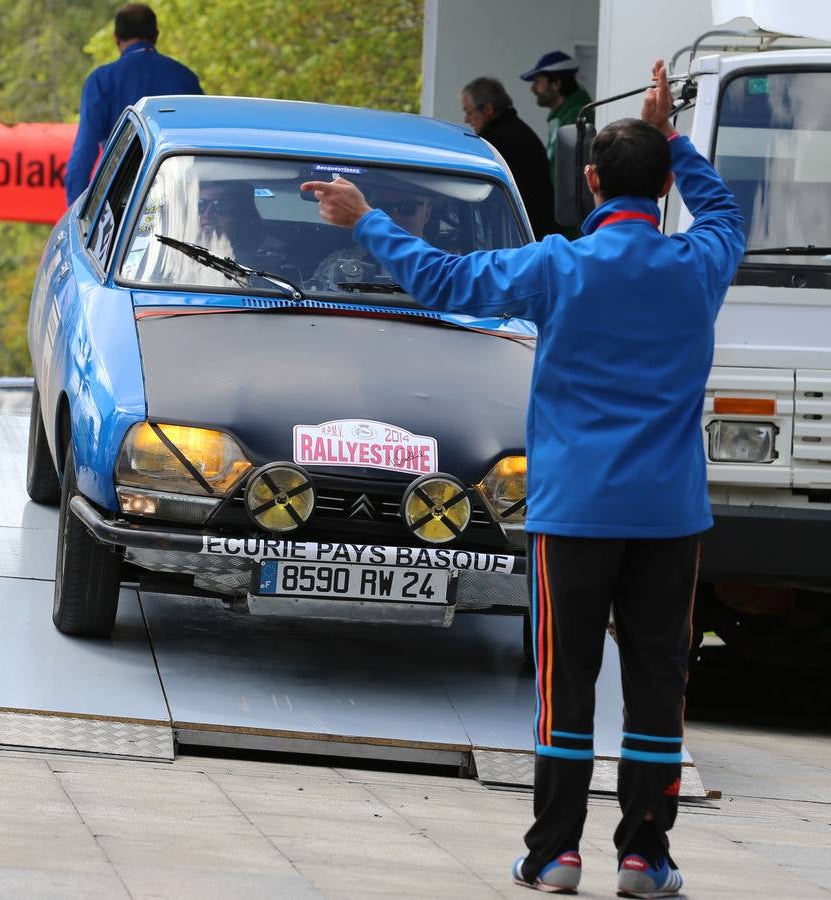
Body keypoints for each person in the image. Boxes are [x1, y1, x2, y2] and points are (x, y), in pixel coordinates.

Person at [302, 60, 744, 898]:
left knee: (564, 682)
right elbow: (722, 209)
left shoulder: (556, 268)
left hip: (574, 511)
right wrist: (672, 135)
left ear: (587, 181)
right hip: (667, 517)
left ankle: (555, 854)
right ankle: (646, 858)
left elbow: (442, 280)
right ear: (658, 191)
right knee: (657, 686)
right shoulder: (699, 266)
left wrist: (367, 221)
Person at [65, 3, 203, 205]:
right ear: (156, 35)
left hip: (122, 204)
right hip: (178, 199)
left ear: (116, 38)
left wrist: (76, 216)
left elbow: (83, 154)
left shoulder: (102, 80)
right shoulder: (185, 77)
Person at [462, 76, 558, 238]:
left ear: (488, 109)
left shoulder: (496, 143)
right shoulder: (518, 131)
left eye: (468, 112)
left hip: (523, 238)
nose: (466, 119)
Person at [312, 186, 434, 290]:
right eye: (382, 208)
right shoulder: (338, 261)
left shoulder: (446, 270)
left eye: (407, 207)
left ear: (427, 214)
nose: (393, 217)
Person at [520, 50, 594, 177]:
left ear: (556, 84)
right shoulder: (563, 117)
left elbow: (571, 172)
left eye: (537, 82)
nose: (532, 89)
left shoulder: (576, 116)